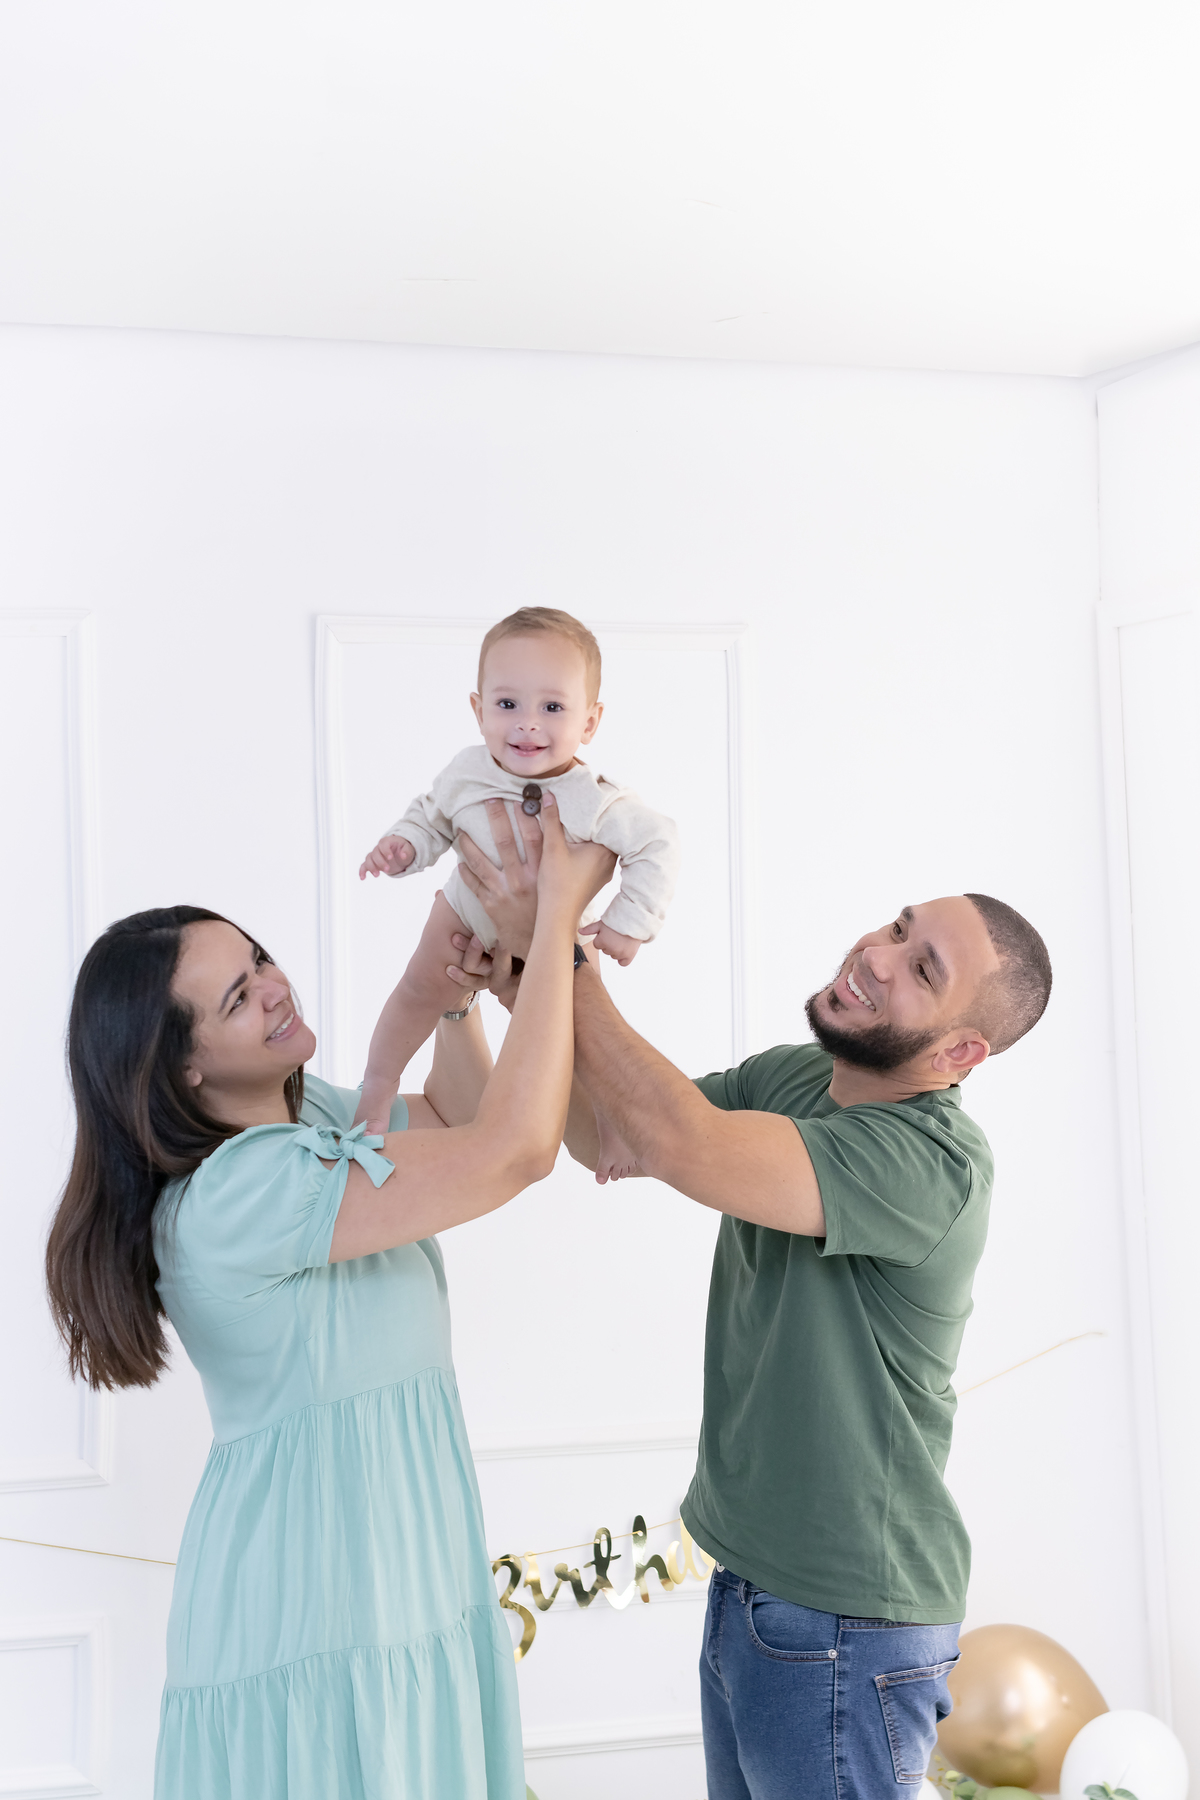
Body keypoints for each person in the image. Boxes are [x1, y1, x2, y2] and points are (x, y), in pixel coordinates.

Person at [442, 812, 1052, 1800]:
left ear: (960, 1054)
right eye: (898, 927)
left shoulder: (934, 1163)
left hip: (850, 1623)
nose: (880, 953)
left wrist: (560, 943)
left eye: (924, 968)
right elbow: (612, 1137)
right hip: (753, 1591)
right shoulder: (799, 1078)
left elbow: (680, 1140)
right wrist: (504, 985)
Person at [44, 795, 614, 1800]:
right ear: (181, 1065)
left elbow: (460, 1118)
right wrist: (557, 917)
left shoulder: (316, 1118)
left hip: (398, 1556)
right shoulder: (235, 1194)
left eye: (258, 960)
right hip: (322, 1590)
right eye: (235, 998)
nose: (273, 987)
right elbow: (513, 1151)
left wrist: (451, 1001)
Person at [354, 606, 680, 1182]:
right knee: (415, 992)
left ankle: (609, 1130)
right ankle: (376, 1092)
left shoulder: (593, 798)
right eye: (507, 705)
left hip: (556, 939)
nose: (528, 724)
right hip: (461, 913)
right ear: (479, 711)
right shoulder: (467, 771)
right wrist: (403, 846)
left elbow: (657, 841)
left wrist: (630, 922)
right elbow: (432, 819)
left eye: (552, 707)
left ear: (590, 722)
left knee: (581, 1037)